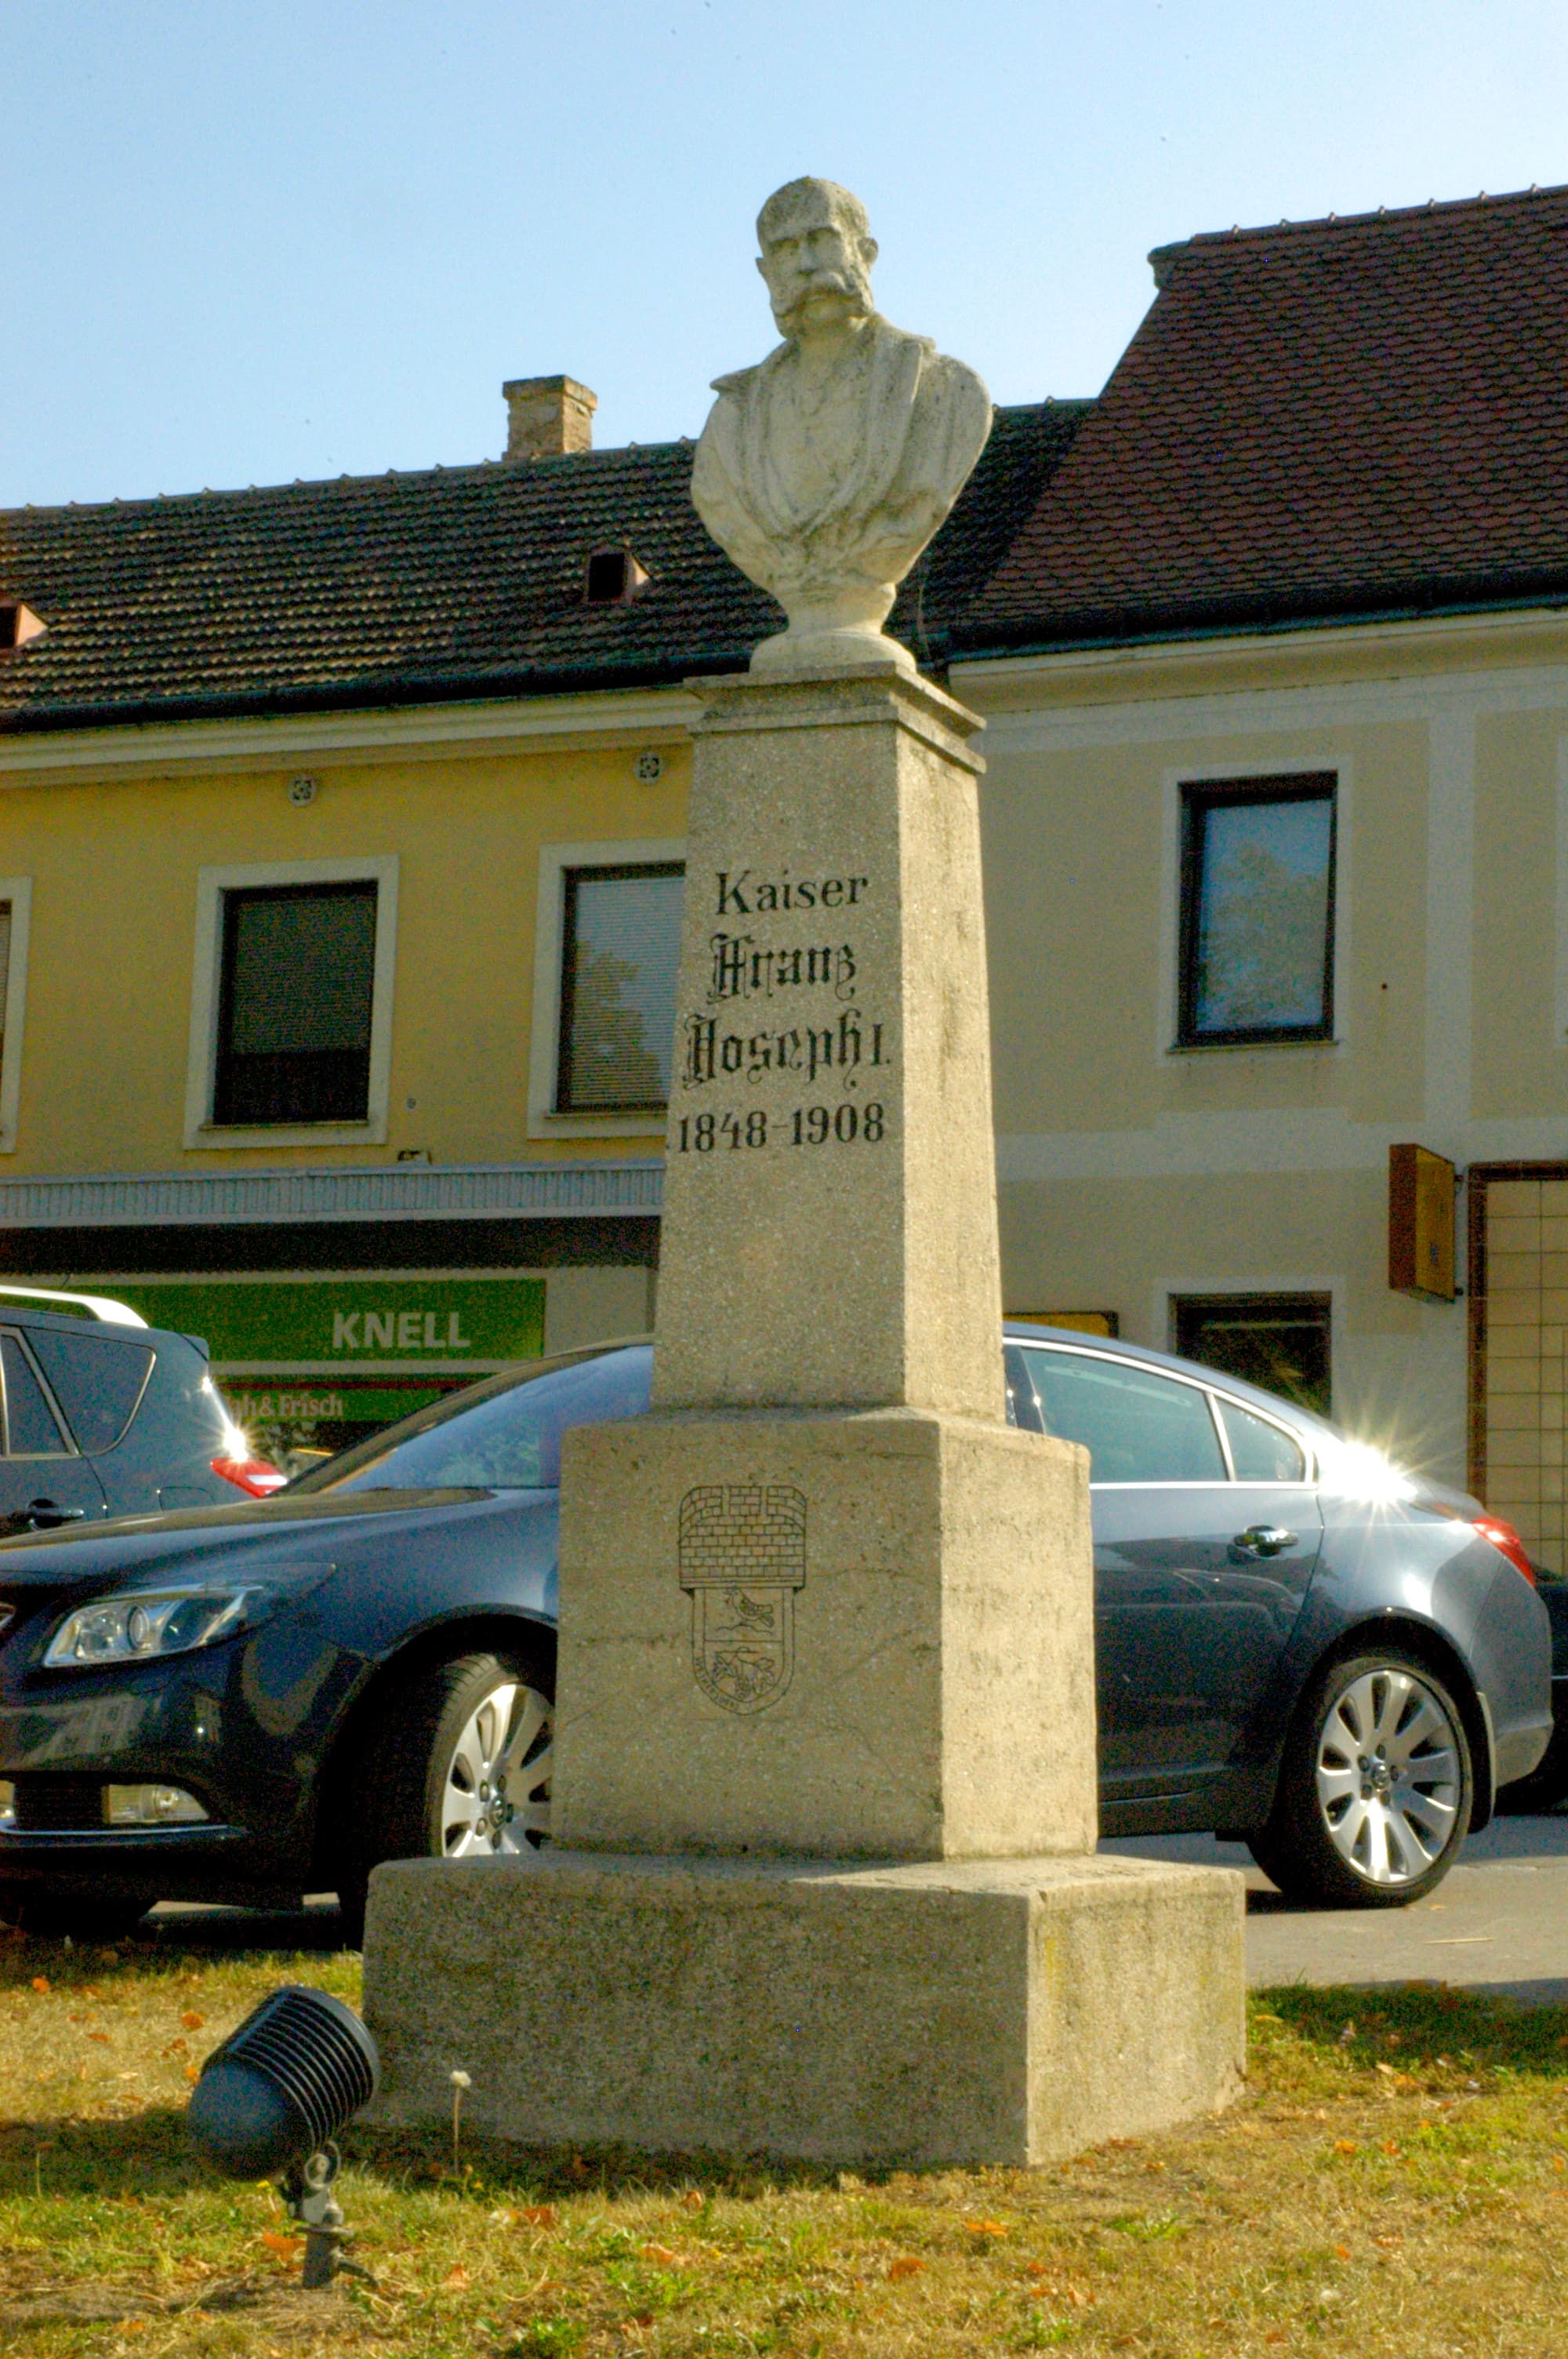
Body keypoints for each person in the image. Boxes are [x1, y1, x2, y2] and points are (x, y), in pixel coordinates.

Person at [691, 177, 992, 672]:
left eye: (822, 240)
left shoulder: (946, 394)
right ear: (766, 272)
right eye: (787, 249)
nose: (807, 265)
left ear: (865, 253)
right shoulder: (731, 421)